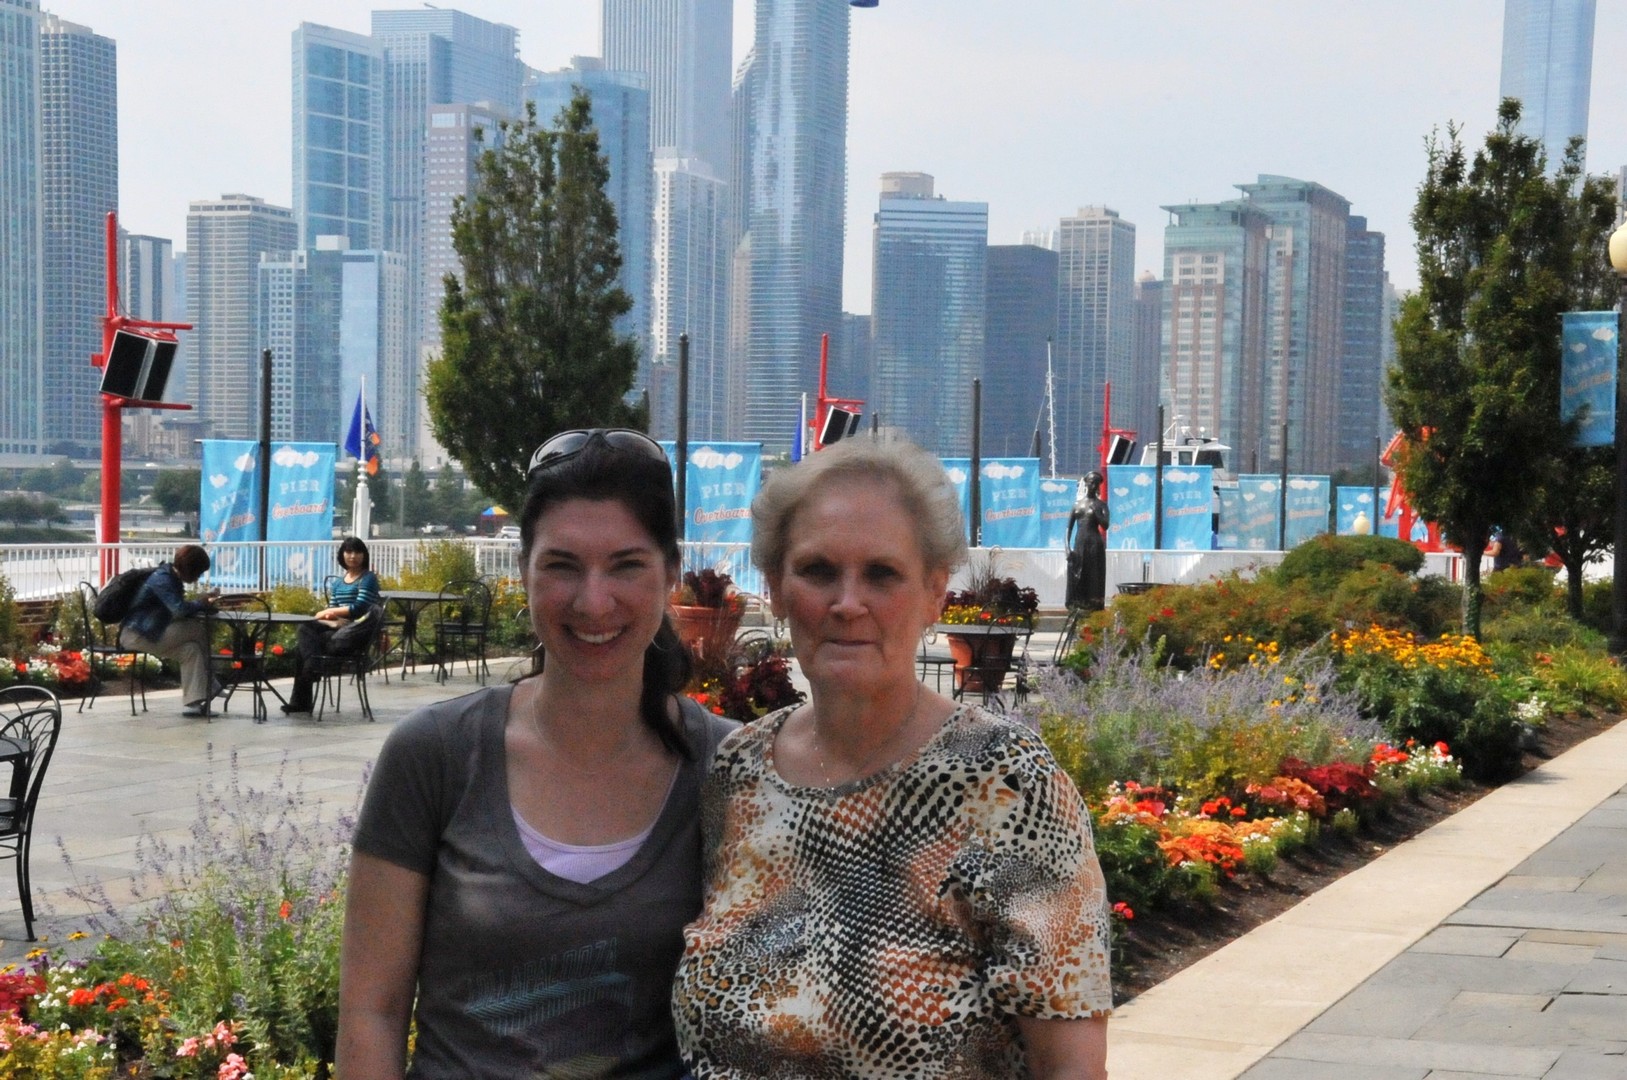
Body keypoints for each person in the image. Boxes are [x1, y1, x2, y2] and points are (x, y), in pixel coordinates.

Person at [673, 436, 1112, 1079]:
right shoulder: (738, 772)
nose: (848, 603)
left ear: (935, 593)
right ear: (776, 588)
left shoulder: (1006, 782)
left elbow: (1070, 1069)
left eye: (881, 574)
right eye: (818, 570)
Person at [337, 429, 736, 1078]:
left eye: (626, 566)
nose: (593, 601)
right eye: (562, 565)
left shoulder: (729, 768)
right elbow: (371, 1013)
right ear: (523, 570)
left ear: (670, 573)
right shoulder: (434, 756)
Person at [282, 536, 382, 714]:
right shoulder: (338, 583)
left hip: (355, 633)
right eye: (348, 551)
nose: (353, 556)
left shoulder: (368, 578)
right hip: (338, 629)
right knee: (305, 628)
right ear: (342, 554)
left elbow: (359, 607)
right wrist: (332, 620)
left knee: (306, 645)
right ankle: (310, 675)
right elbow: (333, 610)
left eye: (357, 552)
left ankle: (306, 689)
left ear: (364, 555)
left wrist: (329, 613)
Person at [118, 544, 218, 717]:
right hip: (137, 635)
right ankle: (214, 682)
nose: (199, 577)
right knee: (198, 629)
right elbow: (178, 610)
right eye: (199, 573)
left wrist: (199, 603)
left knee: (191, 651)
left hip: (149, 633)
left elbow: (175, 609)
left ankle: (194, 703)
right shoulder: (163, 580)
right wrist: (201, 604)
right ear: (190, 569)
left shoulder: (169, 576)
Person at [1066, 470, 1110, 611]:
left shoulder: (1101, 505)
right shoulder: (1077, 505)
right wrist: (1067, 548)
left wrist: (1097, 513)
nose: (1093, 485)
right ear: (1086, 483)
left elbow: (1105, 525)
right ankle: (1077, 605)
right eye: (1091, 482)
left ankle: (1094, 605)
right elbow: (1069, 528)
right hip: (1079, 543)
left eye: (1096, 483)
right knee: (1077, 575)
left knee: (1094, 575)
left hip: (1094, 544)